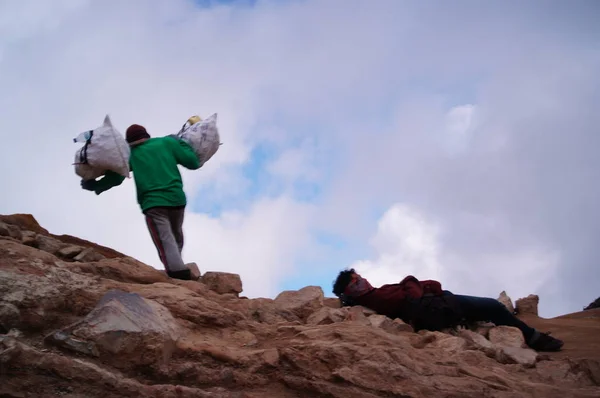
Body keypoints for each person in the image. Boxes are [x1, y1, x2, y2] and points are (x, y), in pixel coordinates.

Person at [332, 268, 564, 352]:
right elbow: (410, 291)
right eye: (355, 281)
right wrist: (413, 281)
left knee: (489, 311)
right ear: (350, 292)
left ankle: (528, 334)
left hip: (440, 307)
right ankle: (534, 338)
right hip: (442, 307)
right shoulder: (377, 297)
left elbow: (408, 289)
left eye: (359, 276)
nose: (362, 280)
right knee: (492, 306)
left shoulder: (375, 295)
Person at [80, 124, 201, 280]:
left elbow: (116, 178)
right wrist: (180, 142)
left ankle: (178, 272)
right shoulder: (167, 143)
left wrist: (95, 185)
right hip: (177, 200)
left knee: (165, 239)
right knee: (175, 235)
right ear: (147, 134)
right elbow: (192, 162)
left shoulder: (129, 154)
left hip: (153, 204)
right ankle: (178, 266)